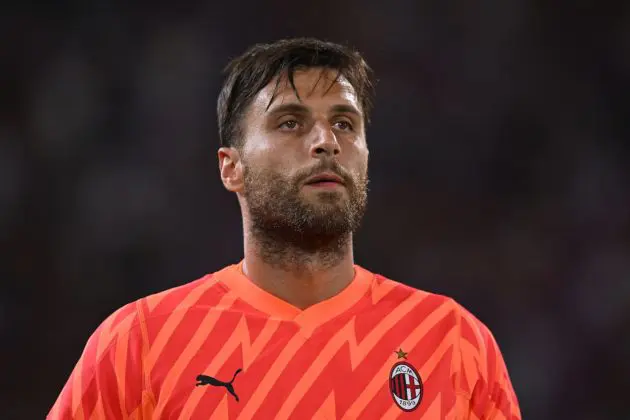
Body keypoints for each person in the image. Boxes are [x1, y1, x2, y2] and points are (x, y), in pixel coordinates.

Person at [48, 37, 521, 419]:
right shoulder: (139, 344)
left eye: (344, 123)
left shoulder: (453, 343)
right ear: (231, 167)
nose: (326, 142)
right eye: (290, 123)